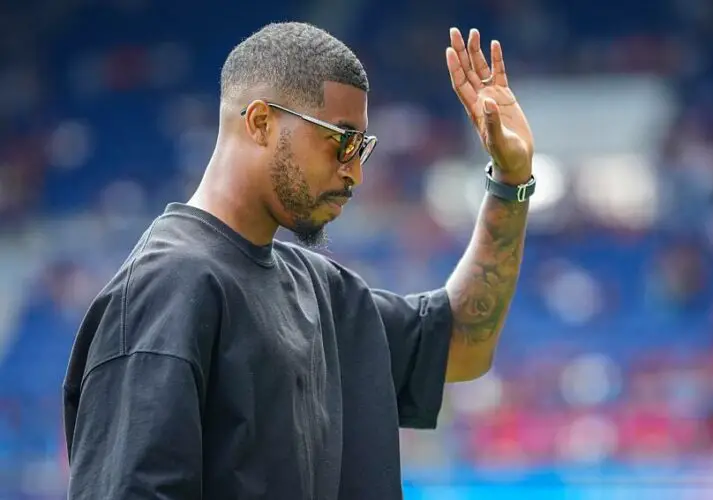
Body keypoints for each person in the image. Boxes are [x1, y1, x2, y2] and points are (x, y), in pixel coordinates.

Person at [63, 22, 536, 500]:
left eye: (362, 149)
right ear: (261, 122)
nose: (354, 172)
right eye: (341, 141)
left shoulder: (323, 292)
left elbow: (463, 342)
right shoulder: (166, 288)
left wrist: (511, 182)